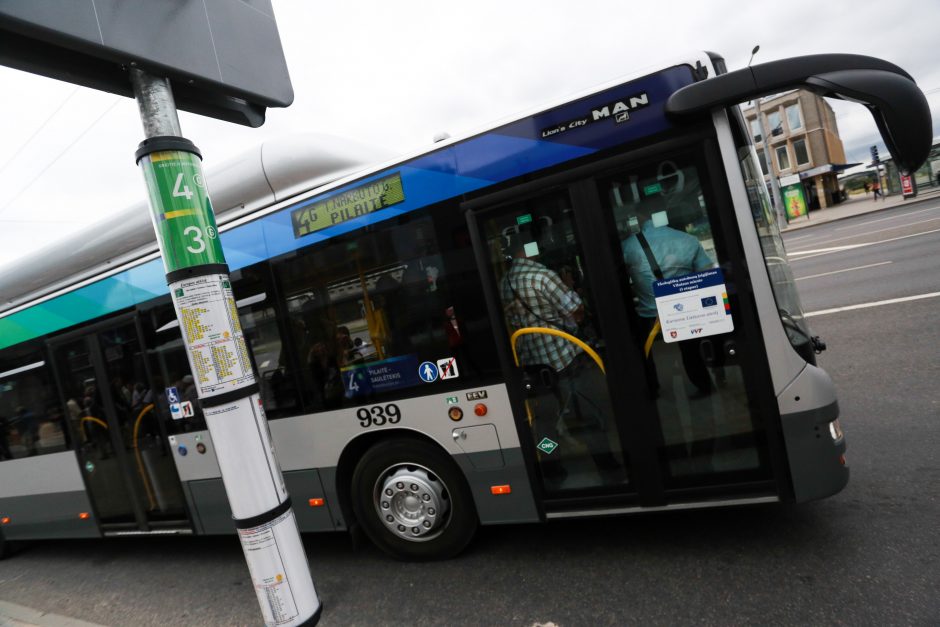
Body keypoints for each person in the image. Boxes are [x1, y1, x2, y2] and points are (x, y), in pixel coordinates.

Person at [499, 232, 621, 484]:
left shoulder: (504, 283)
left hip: (532, 364)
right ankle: (607, 467)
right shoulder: (543, 276)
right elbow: (576, 312)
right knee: (586, 414)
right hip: (564, 359)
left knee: (544, 422)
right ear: (528, 249)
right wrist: (567, 284)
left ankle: (552, 466)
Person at [621, 199, 715, 398]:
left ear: (641, 218)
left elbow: (620, 278)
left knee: (643, 352)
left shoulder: (628, 246)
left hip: (649, 314)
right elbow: (706, 274)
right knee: (690, 350)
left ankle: (651, 388)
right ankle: (703, 385)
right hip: (683, 311)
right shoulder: (687, 240)